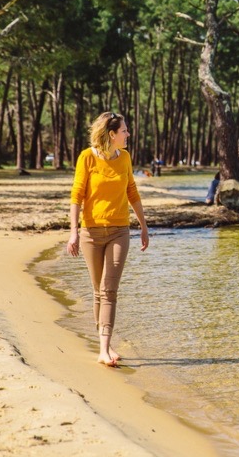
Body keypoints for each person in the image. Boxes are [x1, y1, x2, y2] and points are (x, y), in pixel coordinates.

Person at [66, 111, 149, 367]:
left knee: (109, 290)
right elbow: (77, 196)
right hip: (91, 232)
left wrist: (143, 226)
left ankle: (103, 348)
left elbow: (132, 191)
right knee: (98, 291)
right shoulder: (87, 158)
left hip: (119, 231)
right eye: (124, 131)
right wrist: (74, 232)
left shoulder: (124, 157)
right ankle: (105, 345)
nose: (128, 134)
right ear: (111, 134)